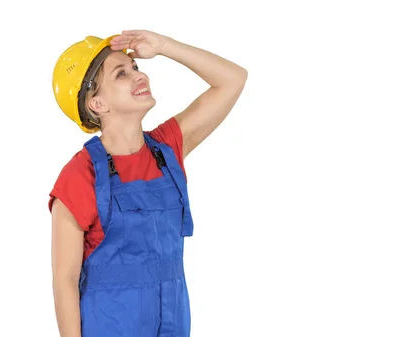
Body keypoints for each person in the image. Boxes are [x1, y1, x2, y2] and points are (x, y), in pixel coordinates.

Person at [49, 29, 248, 337]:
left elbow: (233, 79)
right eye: (121, 74)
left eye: (136, 69)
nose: (139, 76)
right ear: (97, 103)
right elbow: (64, 280)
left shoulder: (167, 150)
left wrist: (165, 46)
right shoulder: (81, 175)